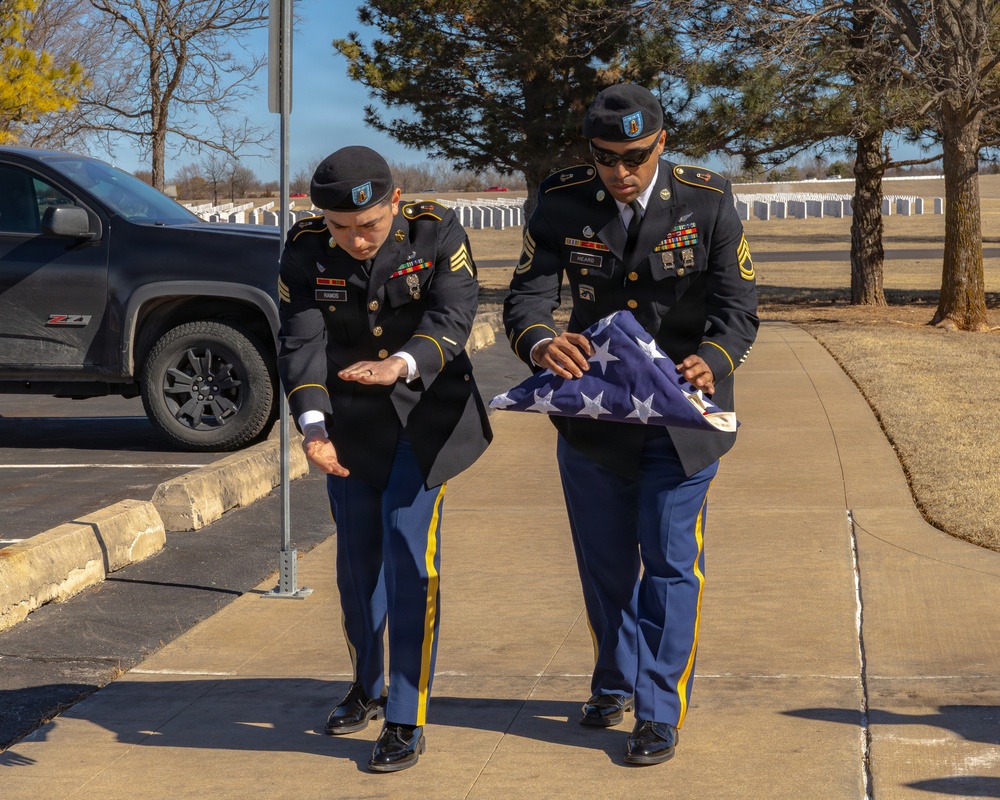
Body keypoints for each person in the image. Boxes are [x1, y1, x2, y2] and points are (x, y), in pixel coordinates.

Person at [503, 84, 758, 765]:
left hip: (684, 418)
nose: (621, 172)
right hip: (597, 418)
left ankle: (658, 709)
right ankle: (614, 679)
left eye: (636, 157)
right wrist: (538, 341)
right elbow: (528, 294)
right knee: (607, 566)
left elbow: (739, 305)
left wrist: (714, 355)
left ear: (662, 143)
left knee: (671, 564)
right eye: (607, 157)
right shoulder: (561, 201)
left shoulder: (707, 199)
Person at [277, 146, 492, 773]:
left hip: (426, 416)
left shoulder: (436, 229)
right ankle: (367, 684)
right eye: (341, 228)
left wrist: (401, 363)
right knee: (356, 566)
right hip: (350, 426)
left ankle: (406, 711)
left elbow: (454, 315)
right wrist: (312, 427)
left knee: (407, 554)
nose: (355, 240)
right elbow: (301, 344)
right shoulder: (306, 248)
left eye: (367, 225)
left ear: (394, 202)